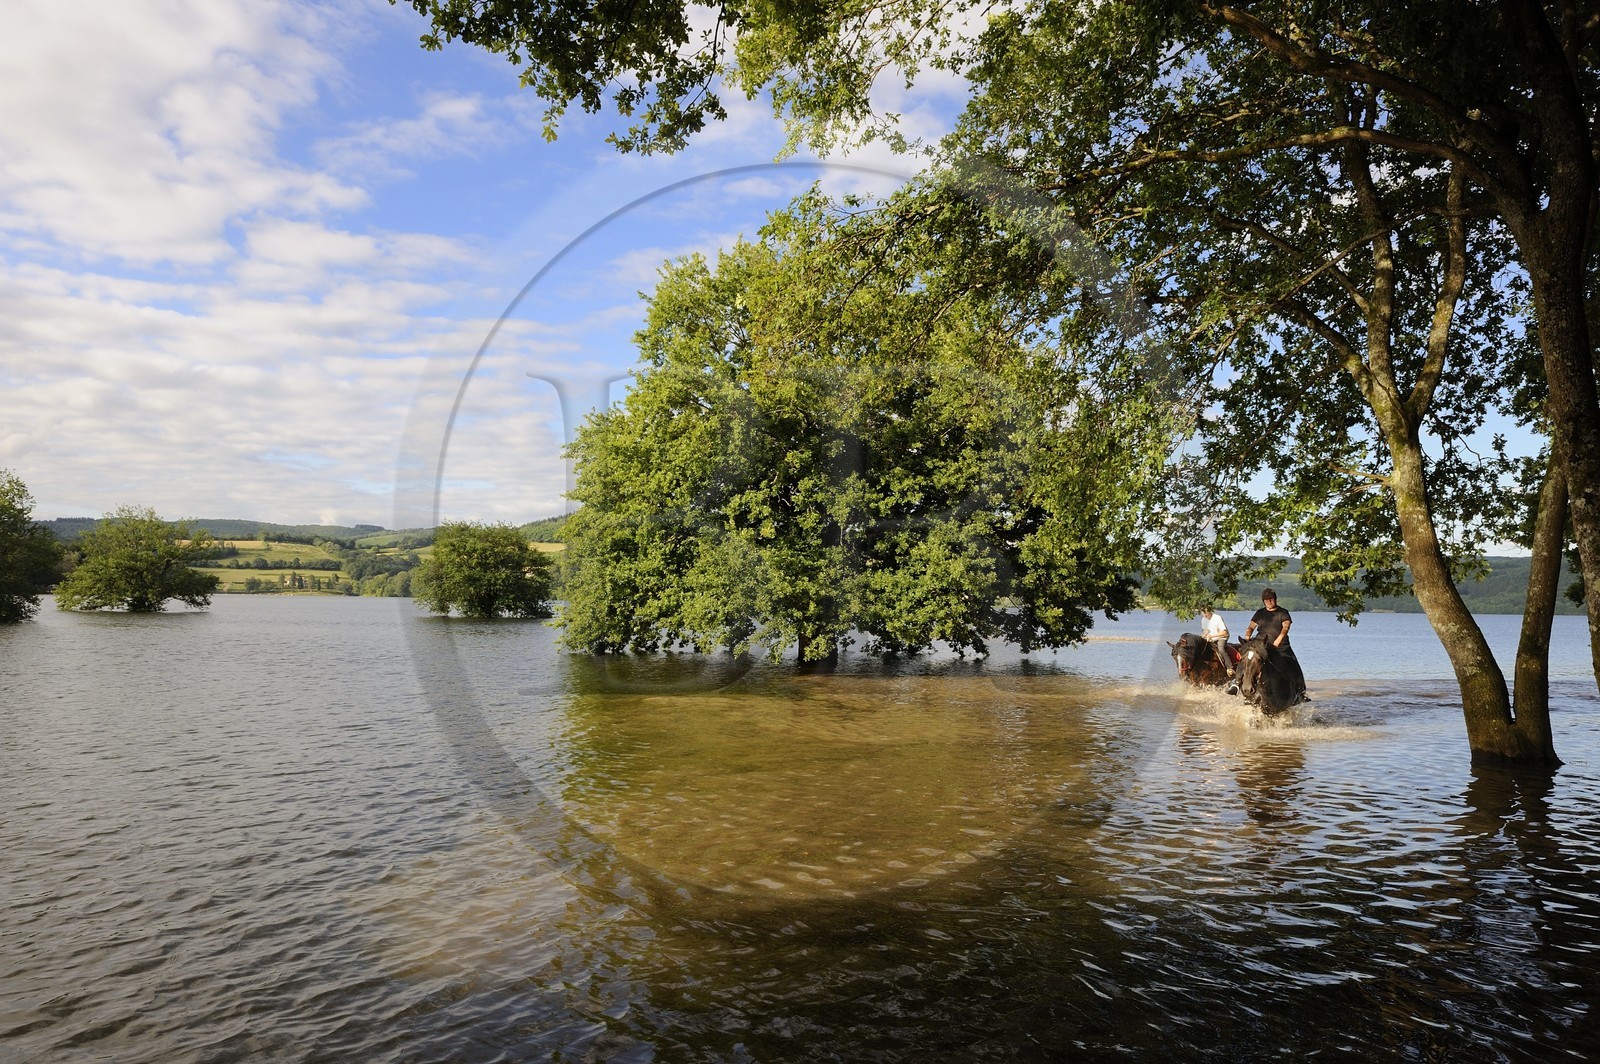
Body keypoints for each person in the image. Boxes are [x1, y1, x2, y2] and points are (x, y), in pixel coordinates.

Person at [1244, 588, 1307, 701]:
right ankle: (1236, 683)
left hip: (1281, 647)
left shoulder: (1283, 613)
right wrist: (1248, 636)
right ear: (1263, 601)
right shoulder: (1260, 613)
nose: (1269, 602)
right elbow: (1251, 627)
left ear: (1275, 599)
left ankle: (1300, 692)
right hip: (1261, 645)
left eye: (1271, 599)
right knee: (1247, 661)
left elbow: (1285, 627)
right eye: (1266, 600)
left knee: (1294, 666)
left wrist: (1279, 639)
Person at [1199, 605, 1232, 677]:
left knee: (1221, 649)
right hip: (1211, 639)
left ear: (1210, 611)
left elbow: (1224, 633)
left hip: (1221, 638)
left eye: (1206, 612)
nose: (1204, 615)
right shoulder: (1203, 620)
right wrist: (1202, 636)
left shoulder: (1217, 618)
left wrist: (1212, 636)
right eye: (1203, 613)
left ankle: (1230, 667)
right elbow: (1205, 631)